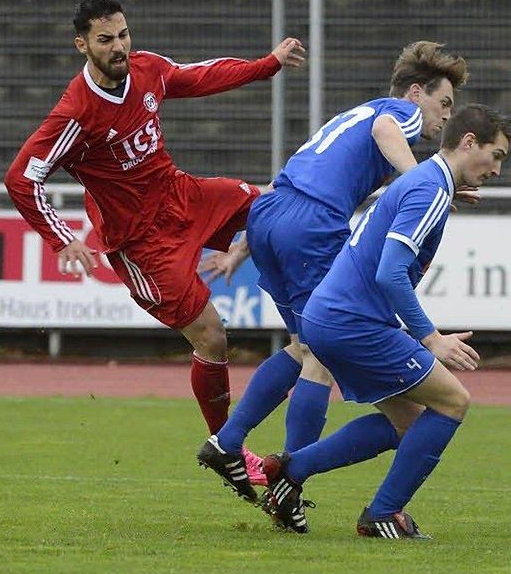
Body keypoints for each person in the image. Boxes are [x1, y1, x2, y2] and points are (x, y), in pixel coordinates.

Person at [4, 0, 305, 487]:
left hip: (181, 196)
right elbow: (22, 178)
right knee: (212, 334)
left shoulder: (147, 69)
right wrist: (62, 239)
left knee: (278, 206)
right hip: (142, 242)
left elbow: (199, 75)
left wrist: (266, 64)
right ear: (83, 45)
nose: (119, 47)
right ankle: (228, 450)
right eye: (106, 40)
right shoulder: (75, 113)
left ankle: (311, 323)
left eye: (123, 34)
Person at [197, 41, 471, 506]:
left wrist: (239, 252)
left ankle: (245, 450)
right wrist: (426, 181)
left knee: (308, 345)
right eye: (443, 103)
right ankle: (270, 467)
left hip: (271, 215)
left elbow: (304, 182)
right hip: (310, 224)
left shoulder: (354, 118)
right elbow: (389, 130)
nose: (445, 117)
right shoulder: (394, 114)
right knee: (316, 352)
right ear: (416, 92)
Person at [260, 104, 509, 537]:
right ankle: (382, 514)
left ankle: (290, 470)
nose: (498, 168)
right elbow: (390, 272)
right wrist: (431, 339)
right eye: (498, 155)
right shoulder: (430, 188)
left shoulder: (424, 181)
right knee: (453, 401)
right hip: (353, 322)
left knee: (409, 422)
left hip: (329, 317)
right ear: (469, 143)